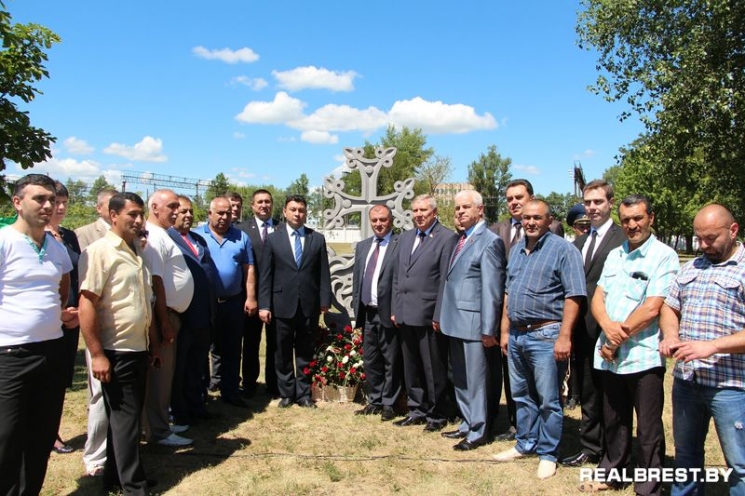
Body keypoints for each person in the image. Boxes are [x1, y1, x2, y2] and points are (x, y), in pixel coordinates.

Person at [579, 195, 679, 495]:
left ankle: (649, 485)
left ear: (651, 218)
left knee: (648, 428)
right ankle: (614, 472)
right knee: (614, 420)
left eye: (638, 218)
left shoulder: (664, 255)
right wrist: (607, 328)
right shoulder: (616, 254)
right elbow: (599, 296)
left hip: (642, 356)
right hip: (609, 356)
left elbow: (652, 307)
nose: (632, 225)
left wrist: (613, 337)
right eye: (626, 220)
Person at [492, 199, 585, 480]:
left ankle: (548, 453)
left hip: (546, 334)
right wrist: (505, 331)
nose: (530, 222)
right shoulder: (517, 250)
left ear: (549, 220)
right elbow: (508, 292)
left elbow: (574, 295)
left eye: (537, 217)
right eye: (526, 218)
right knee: (521, 395)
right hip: (517, 334)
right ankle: (525, 443)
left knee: (548, 399)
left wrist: (564, 336)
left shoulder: (563, 250)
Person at [660, 204, 745, 495]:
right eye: (699, 238)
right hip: (687, 382)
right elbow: (670, 307)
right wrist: (671, 335)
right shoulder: (692, 267)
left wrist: (712, 346)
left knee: (740, 464)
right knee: (686, 457)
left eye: (710, 238)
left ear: (733, 230)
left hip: (731, 386)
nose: (703, 245)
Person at [0, 174, 73, 496]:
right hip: (10, 354)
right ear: (17, 202)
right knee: (6, 437)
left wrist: (59, 314)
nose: (48, 205)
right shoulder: (4, 241)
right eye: (39, 199)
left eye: (51, 200)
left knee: (41, 437)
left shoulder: (55, 246)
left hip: (52, 351)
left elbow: (62, 288)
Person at [78, 192, 156, 495]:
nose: (138, 220)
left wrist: (152, 343)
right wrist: (97, 354)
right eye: (131, 214)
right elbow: (87, 304)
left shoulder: (136, 251)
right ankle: (133, 486)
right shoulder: (100, 251)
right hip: (116, 350)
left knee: (125, 419)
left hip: (138, 347)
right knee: (125, 420)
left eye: (141, 214)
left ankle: (115, 476)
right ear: (113, 215)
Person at [489, 178, 565, 441]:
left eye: (519, 197)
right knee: (516, 382)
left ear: (531, 198)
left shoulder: (554, 232)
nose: (514, 203)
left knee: (544, 389)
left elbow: (559, 278)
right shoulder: (498, 231)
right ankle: (519, 428)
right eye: (509, 199)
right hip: (510, 315)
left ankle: (545, 440)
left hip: (544, 324)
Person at [561, 180, 626, 468]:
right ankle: (591, 447)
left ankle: (615, 452)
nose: (592, 207)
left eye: (598, 201)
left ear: (611, 202)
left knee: (613, 397)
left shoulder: (623, 238)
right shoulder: (578, 242)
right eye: (588, 202)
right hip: (583, 330)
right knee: (588, 392)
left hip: (611, 328)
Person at [439, 190, 506, 450]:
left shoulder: (489, 241)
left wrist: (489, 328)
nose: (460, 212)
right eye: (457, 208)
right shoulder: (462, 239)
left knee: (477, 381)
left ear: (480, 210)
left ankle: (479, 430)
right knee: (462, 378)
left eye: (465, 207)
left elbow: (491, 289)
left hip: (475, 325)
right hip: (455, 321)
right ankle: (467, 422)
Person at [391, 194, 458, 431]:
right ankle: (416, 409)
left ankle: (437, 414)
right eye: (416, 211)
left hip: (429, 315)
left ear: (434, 212)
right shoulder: (405, 237)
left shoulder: (447, 238)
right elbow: (398, 276)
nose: (419, 215)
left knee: (433, 368)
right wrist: (396, 308)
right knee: (411, 366)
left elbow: (445, 281)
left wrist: (439, 314)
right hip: (405, 314)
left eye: (424, 211)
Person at [259, 194, 331, 408]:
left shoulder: (317, 238)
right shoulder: (273, 239)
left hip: (309, 305)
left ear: (306, 213)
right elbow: (266, 275)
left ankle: (304, 394)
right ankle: (287, 393)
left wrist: (324, 299)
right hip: (281, 304)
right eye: (293, 209)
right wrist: (264, 305)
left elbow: (323, 273)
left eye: (301, 210)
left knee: (305, 351)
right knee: (281, 352)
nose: (297, 214)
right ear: (284, 212)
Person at [141, 190, 195, 446]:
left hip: (171, 315)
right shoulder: (152, 236)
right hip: (164, 316)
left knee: (164, 376)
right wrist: (163, 321)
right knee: (159, 378)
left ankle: (160, 423)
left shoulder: (163, 234)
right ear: (154, 207)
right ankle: (158, 431)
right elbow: (156, 282)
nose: (177, 211)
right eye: (171, 207)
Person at [76, 187, 118, 477]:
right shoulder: (86, 236)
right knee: (100, 395)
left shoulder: (130, 238)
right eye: (111, 205)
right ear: (100, 208)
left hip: (125, 331)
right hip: (100, 327)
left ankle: (118, 450)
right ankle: (96, 456)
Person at [201, 196, 257, 407]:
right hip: (205, 303)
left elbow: (249, 268)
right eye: (220, 213)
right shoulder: (197, 236)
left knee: (233, 349)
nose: (225, 217)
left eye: (228, 213)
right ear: (210, 214)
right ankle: (202, 393)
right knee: (203, 349)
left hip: (233, 302)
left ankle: (231, 391)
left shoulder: (241, 237)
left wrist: (251, 297)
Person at [351, 204, 403, 421]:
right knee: (371, 359)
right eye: (374, 220)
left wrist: (397, 309)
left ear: (391, 220)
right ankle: (375, 400)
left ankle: (390, 403)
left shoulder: (400, 244)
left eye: (383, 220)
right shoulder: (363, 246)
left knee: (391, 360)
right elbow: (358, 278)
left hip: (389, 313)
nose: (379, 224)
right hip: (368, 313)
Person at [168, 196, 217, 425]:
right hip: (182, 315)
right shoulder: (168, 238)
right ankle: (178, 411)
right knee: (180, 366)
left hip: (203, 314)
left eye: (190, 211)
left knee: (198, 364)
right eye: (183, 211)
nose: (188, 215)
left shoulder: (198, 240)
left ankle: (197, 404)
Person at [46, 181, 82, 456]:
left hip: (72, 317)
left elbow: (77, 274)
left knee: (60, 379)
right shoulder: (37, 236)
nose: (59, 208)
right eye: (55, 202)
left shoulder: (69, 236)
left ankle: (52, 429)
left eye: (64, 203)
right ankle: (45, 432)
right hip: (46, 319)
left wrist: (79, 310)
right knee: (44, 378)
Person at [236, 189, 280, 398]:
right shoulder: (241, 230)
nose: (264, 205)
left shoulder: (282, 228)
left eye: (267, 201)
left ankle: (274, 384)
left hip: (276, 295)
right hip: (250, 295)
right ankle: (249, 384)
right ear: (252, 206)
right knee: (251, 342)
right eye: (260, 202)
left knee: (275, 343)